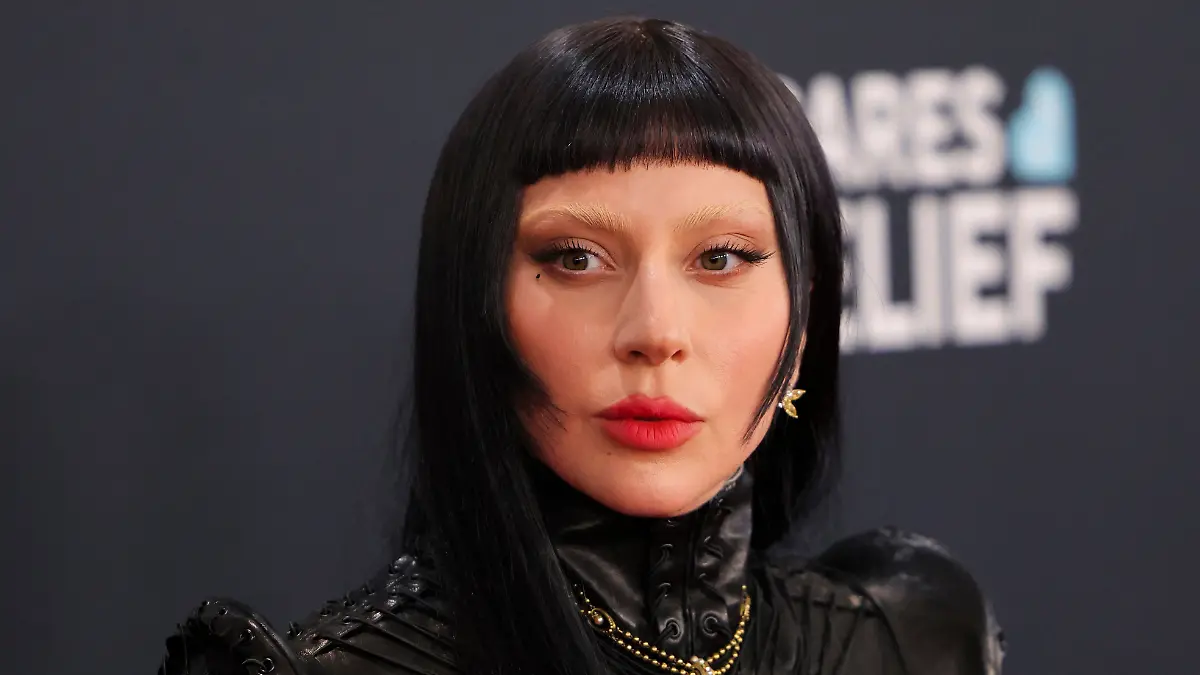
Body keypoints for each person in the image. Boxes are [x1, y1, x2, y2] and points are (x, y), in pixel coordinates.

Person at [157, 16, 1004, 675]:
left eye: (720, 258)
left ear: (807, 312)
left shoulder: (906, 642)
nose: (655, 333)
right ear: (473, 298)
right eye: (576, 258)